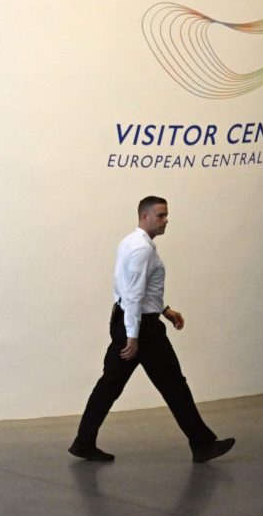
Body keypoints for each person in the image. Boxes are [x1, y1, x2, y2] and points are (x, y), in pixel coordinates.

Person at [68, 196, 235, 463]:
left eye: (166, 215)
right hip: (141, 330)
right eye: (161, 215)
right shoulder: (142, 249)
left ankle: (83, 442)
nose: (166, 220)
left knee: (110, 385)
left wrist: (164, 309)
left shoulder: (131, 242)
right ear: (144, 216)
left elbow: (133, 288)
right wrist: (133, 336)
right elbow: (133, 294)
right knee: (173, 385)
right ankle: (202, 443)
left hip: (132, 322)